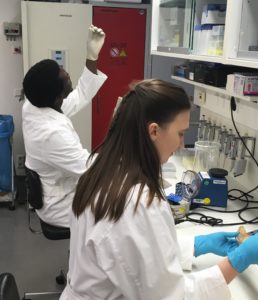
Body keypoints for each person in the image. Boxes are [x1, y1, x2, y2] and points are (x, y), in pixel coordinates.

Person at [60, 79, 258, 300]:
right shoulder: (137, 202)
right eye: (180, 133)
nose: (182, 144)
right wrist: (238, 261)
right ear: (154, 131)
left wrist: (197, 245)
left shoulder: (101, 165)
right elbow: (172, 296)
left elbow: (136, 253)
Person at [22, 25, 107, 228]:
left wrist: (92, 56)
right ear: (58, 96)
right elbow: (90, 170)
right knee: (119, 211)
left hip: (59, 188)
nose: (67, 72)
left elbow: (81, 94)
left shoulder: (34, 104)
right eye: (65, 76)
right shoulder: (51, 133)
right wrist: (120, 132)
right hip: (61, 206)